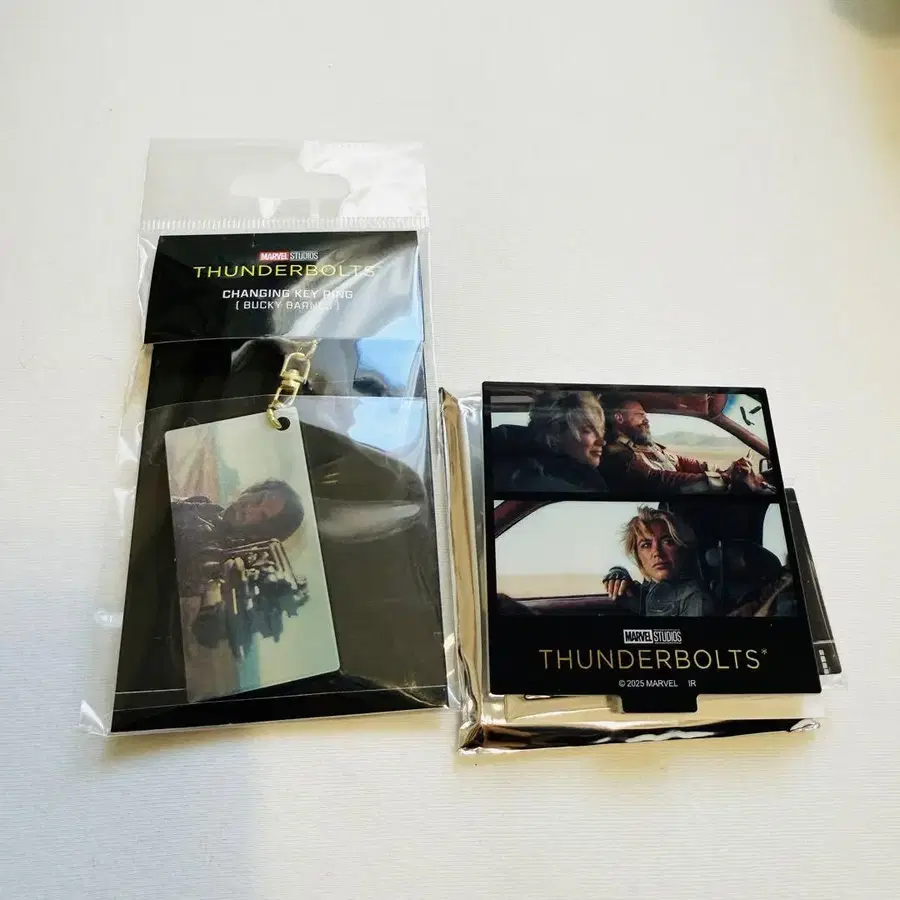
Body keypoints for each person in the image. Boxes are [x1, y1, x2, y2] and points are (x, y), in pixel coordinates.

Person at [600, 394, 773, 494]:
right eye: (639, 415)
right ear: (619, 418)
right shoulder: (619, 455)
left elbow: (679, 462)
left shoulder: (647, 447)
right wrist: (721, 480)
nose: (646, 419)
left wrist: (723, 470)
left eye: (645, 415)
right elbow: (659, 479)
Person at [602, 505, 716, 616]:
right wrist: (619, 574)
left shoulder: (695, 600)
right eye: (646, 545)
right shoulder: (650, 593)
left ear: (681, 548)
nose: (656, 552)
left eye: (667, 542)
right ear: (638, 557)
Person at [492, 391, 609, 492]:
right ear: (556, 433)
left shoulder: (583, 476)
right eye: (587, 431)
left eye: (601, 430)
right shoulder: (542, 483)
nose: (602, 441)